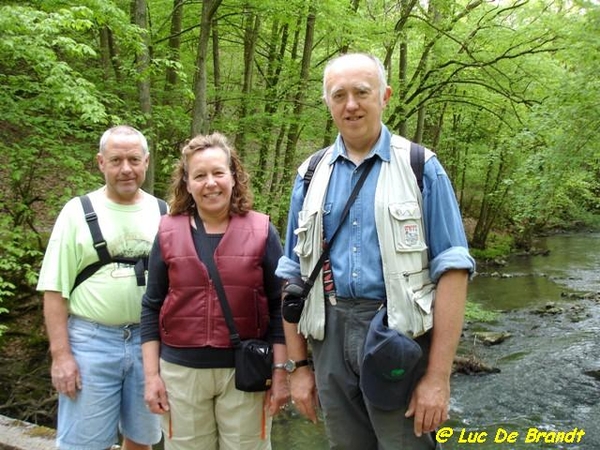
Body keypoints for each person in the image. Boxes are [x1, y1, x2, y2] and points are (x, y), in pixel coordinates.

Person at [276, 52, 476, 449]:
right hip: (328, 334)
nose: (350, 104)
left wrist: (437, 377)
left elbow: (452, 271)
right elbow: (291, 276)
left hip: (398, 335)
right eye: (339, 95)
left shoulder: (421, 166)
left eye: (361, 92)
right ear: (327, 103)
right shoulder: (309, 175)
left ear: (384, 96)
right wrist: (298, 367)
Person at [140, 132, 288, 450]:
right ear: (187, 183)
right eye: (200, 175)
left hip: (246, 374)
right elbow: (152, 306)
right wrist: (152, 376)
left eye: (218, 173)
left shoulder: (262, 230)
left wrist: (281, 373)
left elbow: (280, 308)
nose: (211, 183)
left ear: (233, 177)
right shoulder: (167, 231)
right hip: (181, 374)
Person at [37, 125, 163, 450]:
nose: (126, 169)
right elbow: (54, 290)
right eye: (116, 160)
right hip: (90, 343)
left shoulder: (164, 213)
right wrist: (61, 356)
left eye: (134, 159)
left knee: (141, 440)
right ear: (100, 162)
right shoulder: (76, 213)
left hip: (148, 343)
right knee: (83, 444)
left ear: (146, 162)